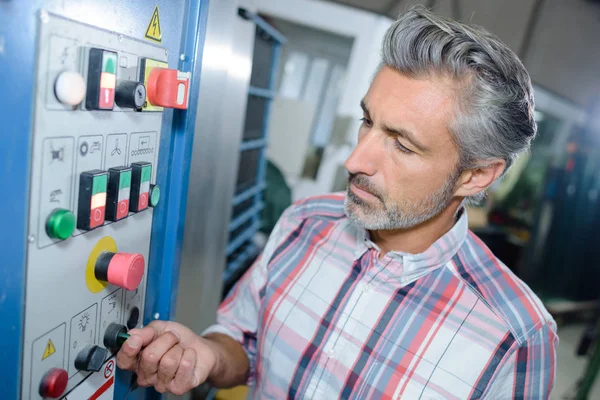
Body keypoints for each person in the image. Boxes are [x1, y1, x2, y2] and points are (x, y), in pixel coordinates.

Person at [117, 6, 558, 399]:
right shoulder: (304, 223)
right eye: (368, 122)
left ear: (476, 174)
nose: (355, 159)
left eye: (402, 144)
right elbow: (242, 340)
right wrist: (208, 356)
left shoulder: (515, 338)